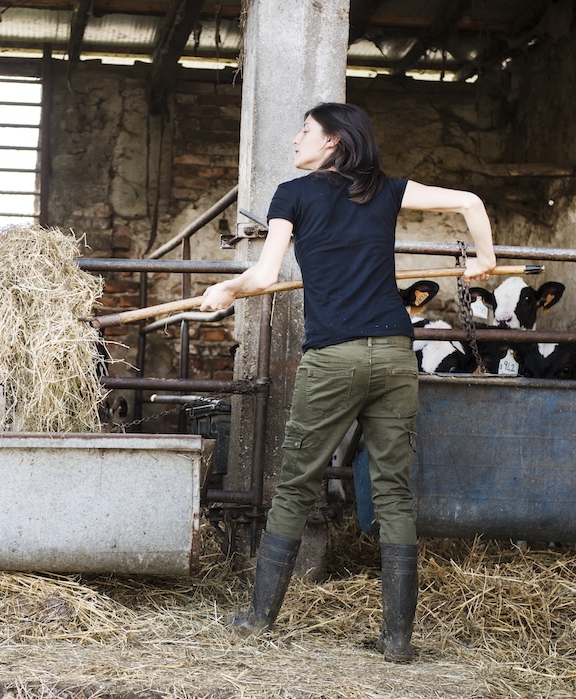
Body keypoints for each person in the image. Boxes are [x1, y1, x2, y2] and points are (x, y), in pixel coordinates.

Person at [199, 102, 495, 663]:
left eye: (305, 131)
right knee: (395, 492)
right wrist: (484, 258)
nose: (294, 140)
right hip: (393, 355)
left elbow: (265, 275)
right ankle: (397, 640)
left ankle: (259, 619)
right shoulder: (386, 190)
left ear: (333, 141)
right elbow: (470, 202)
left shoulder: (292, 195)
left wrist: (226, 291)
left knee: (295, 484)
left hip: (333, 357)